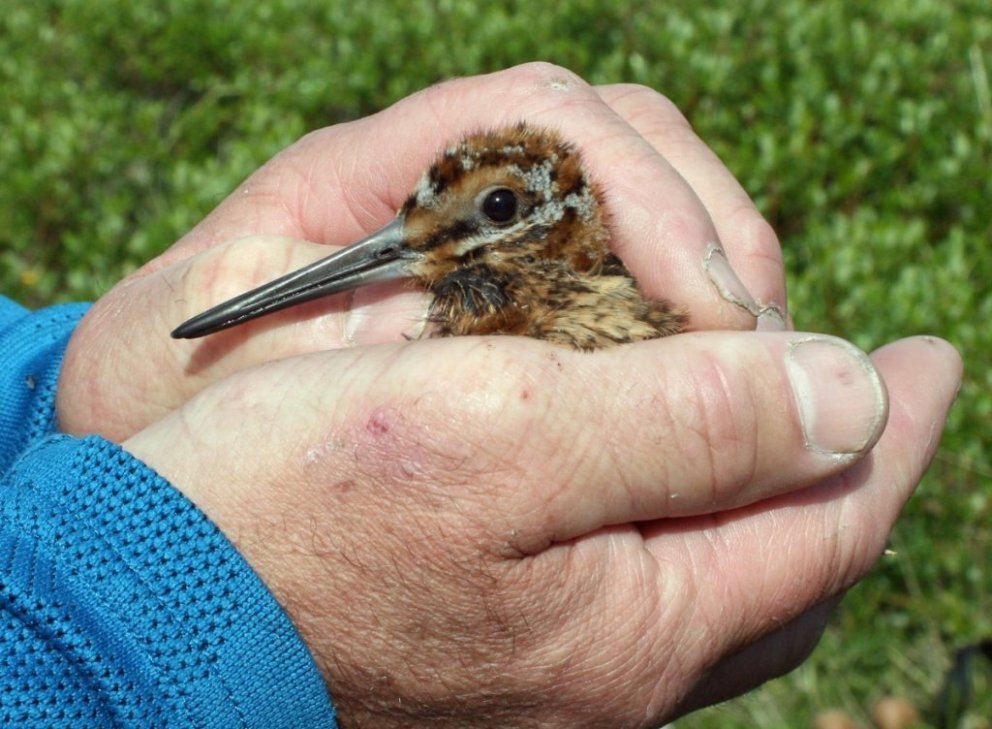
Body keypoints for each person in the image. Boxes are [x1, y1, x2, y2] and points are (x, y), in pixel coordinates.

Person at [1, 63, 961, 728]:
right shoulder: (443, 305)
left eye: (495, 210)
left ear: (564, 224)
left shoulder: (617, 317)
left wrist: (41, 392)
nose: (400, 249)